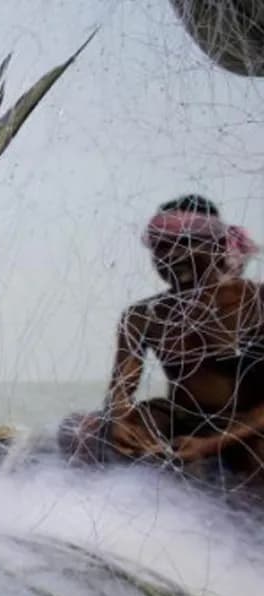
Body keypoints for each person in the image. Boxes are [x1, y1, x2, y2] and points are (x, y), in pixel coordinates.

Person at [57, 197, 264, 481]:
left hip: (246, 424)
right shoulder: (143, 316)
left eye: (184, 243)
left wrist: (211, 444)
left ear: (218, 247)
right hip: (177, 418)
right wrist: (119, 420)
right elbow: (120, 389)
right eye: (161, 247)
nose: (171, 256)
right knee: (81, 430)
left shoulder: (256, 303)